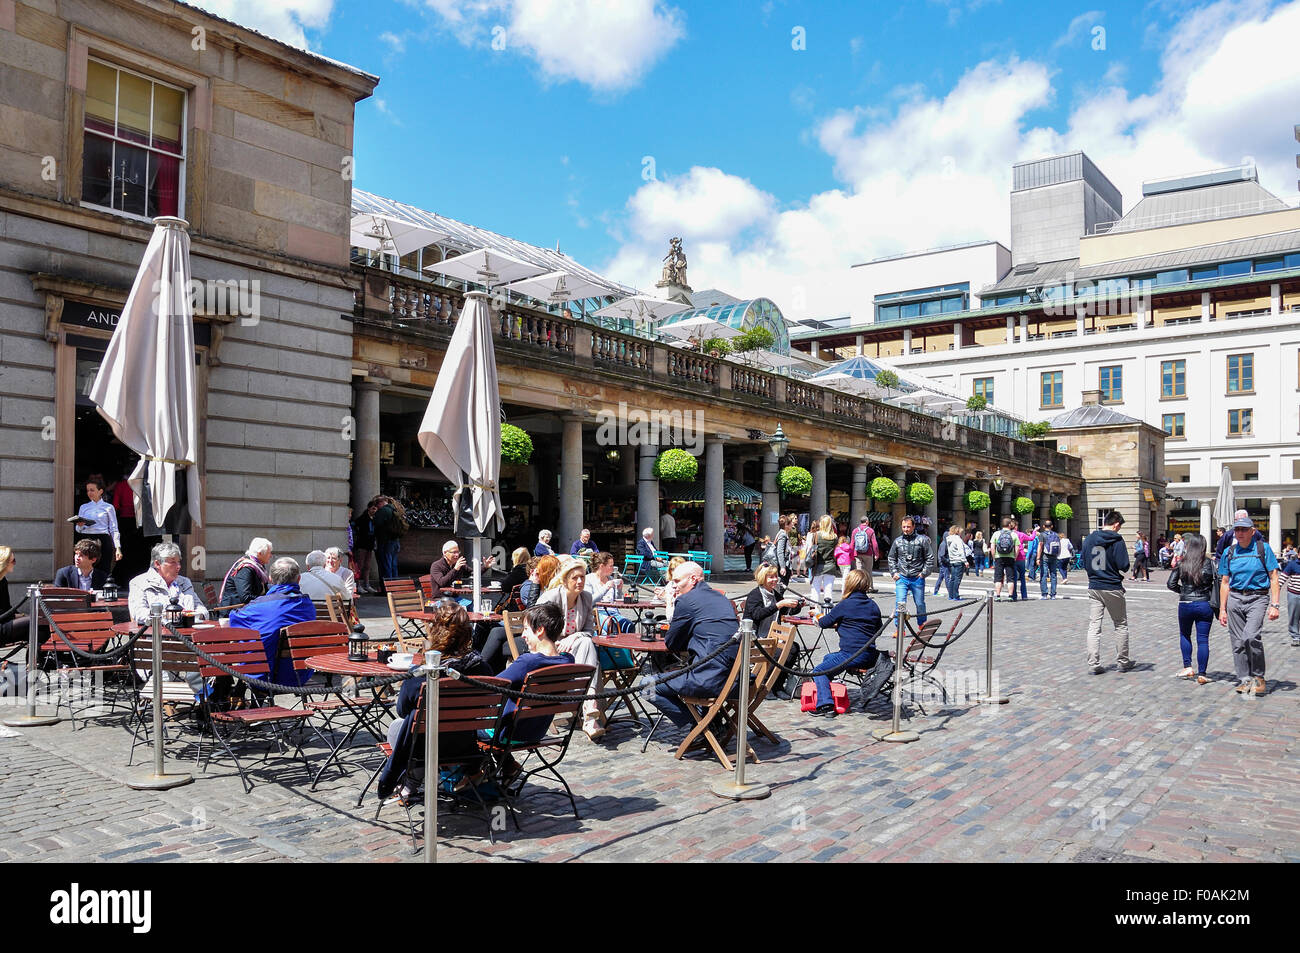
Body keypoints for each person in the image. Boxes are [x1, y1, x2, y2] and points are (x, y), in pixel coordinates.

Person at [377, 601, 494, 800]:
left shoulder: (421, 676)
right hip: (466, 745)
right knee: (416, 724)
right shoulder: (482, 669)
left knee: (399, 726)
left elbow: (402, 709)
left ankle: (412, 780)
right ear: (467, 633)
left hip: (425, 748)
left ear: (435, 631)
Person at [644, 561, 739, 730]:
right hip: (736, 680)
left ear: (693, 579)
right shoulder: (721, 598)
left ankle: (699, 725)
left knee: (646, 685)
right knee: (685, 670)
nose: (674, 586)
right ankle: (708, 722)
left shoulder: (687, 600)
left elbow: (672, 643)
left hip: (711, 680)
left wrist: (672, 603)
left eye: (677, 581)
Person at [486, 603, 576, 757]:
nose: (523, 635)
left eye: (526, 629)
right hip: (536, 732)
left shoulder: (528, 662)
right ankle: (507, 766)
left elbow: (491, 686)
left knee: (461, 728)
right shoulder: (568, 661)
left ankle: (472, 774)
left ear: (540, 630)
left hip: (508, 733)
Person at [535, 558, 604, 740]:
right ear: (565, 580)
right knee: (587, 647)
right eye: (575, 578)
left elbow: (589, 631)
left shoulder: (586, 598)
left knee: (586, 643)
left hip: (577, 651)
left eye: (582, 577)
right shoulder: (551, 598)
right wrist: (557, 642)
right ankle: (590, 708)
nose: (580, 581)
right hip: (551, 650)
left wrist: (575, 636)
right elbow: (537, 631)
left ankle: (589, 713)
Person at [227, 556, 317, 688]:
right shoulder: (307, 605)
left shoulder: (259, 606)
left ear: (270, 578)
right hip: (299, 675)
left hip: (263, 677)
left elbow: (234, 620)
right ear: (299, 579)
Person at [1217, 514, 1280, 696]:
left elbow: (1274, 577)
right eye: (1237, 529)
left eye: (1244, 529)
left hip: (1257, 598)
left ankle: (1258, 677)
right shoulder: (1230, 552)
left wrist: (1275, 604)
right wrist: (1222, 609)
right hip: (1235, 599)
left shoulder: (1263, 548)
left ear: (1253, 532)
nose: (1240, 533)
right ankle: (1245, 679)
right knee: (1237, 642)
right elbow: (1225, 582)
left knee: (1250, 637)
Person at [810, 570, 883, 715]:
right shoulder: (872, 605)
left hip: (851, 654)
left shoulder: (845, 604)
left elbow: (824, 622)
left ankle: (826, 705)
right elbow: (878, 628)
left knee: (818, 671)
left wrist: (817, 613)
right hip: (870, 654)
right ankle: (830, 690)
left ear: (849, 584)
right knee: (828, 658)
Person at [1082, 511, 1132, 675]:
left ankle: (1093, 663)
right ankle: (1123, 662)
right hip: (1112, 586)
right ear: (1116, 524)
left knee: (1094, 626)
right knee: (1120, 624)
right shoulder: (1117, 539)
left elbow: (1084, 562)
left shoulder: (1089, 539)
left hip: (1094, 586)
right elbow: (1124, 564)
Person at [1167, 532, 1216, 684]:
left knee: (1185, 635)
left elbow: (1170, 584)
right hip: (1204, 603)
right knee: (1203, 640)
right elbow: (1216, 582)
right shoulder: (1209, 563)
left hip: (1185, 604)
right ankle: (1202, 673)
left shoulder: (1183, 562)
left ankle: (1187, 667)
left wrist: (1183, 592)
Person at [128, 541, 207, 626]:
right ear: (157, 564)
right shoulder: (139, 583)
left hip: (188, 636)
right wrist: (167, 615)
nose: (178, 566)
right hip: (157, 636)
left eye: (179, 562)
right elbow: (138, 614)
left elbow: (201, 609)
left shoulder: (185, 582)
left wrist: (197, 615)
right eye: (173, 562)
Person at [887, 516, 935, 625]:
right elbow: (891, 558)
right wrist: (894, 572)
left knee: (920, 603)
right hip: (902, 577)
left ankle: (922, 624)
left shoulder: (922, 540)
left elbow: (930, 557)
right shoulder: (897, 541)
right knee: (900, 603)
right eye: (904, 527)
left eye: (908, 526)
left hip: (917, 577)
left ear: (913, 526)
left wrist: (924, 573)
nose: (906, 529)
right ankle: (899, 627)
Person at [73, 478, 122, 578]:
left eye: (92, 490)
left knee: (103, 568)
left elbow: (114, 528)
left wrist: (118, 548)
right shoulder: (83, 507)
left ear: (100, 491)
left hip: (102, 539)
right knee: (84, 566)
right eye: (88, 490)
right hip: (86, 538)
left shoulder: (108, 507)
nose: (89, 493)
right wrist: (80, 526)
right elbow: (78, 529)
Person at [742, 564, 801, 640]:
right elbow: (757, 615)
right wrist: (779, 605)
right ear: (763, 578)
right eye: (771, 577)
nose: (775, 579)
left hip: (774, 636)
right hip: (755, 638)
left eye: (776, 576)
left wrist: (797, 605)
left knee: (795, 648)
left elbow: (786, 611)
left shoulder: (774, 593)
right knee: (791, 650)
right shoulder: (755, 594)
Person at [586, 551, 635, 634]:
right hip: (598, 613)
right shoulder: (589, 579)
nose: (613, 568)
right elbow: (590, 601)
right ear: (602, 566)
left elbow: (617, 600)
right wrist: (606, 588)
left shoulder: (611, 579)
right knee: (611, 624)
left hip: (613, 612)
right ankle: (616, 646)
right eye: (611, 566)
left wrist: (619, 590)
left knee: (628, 625)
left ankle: (628, 646)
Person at [218, 538, 272, 607]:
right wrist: (267, 600)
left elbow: (264, 588)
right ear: (260, 553)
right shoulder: (246, 569)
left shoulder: (258, 566)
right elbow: (246, 597)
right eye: (269, 553)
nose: (271, 556)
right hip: (234, 612)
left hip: (248, 609)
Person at [429, 539, 496, 592]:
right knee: (462, 607)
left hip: (455, 597)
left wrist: (485, 567)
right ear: (445, 553)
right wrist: (455, 569)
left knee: (471, 605)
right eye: (454, 552)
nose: (457, 555)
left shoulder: (459, 564)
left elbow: (473, 574)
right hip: (441, 599)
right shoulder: (436, 565)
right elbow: (442, 583)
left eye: (458, 552)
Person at [0, 546, 31, 644]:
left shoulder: (3, 581)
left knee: (38, 621)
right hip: (1, 626)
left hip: (4, 622)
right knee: (35, 623)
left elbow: (6, 608)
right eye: (13, 561)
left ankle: (37, 656)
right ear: (4, 562)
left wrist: (22, 615)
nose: (15, 563)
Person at [370, 495, 403, 581]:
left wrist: (374, 516)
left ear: (380, 503)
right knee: (393, 565)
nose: (377, 507)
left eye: (377, 505)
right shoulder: (395, 509)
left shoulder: (383, 511)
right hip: (395, 541)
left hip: (385, 542)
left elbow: (376, 524)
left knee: (385, 565)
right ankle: (394, 586)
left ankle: (386, 588)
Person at [808, 515, 838, 605]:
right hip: (830, 566)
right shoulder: (834, 537)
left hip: (818, 566)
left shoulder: (816, 535)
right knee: (828, 591)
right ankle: (827, 612)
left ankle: (814, 612)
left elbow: (811, 549)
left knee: (815, 590)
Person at [351, 500, 378, 594]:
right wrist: (358, 535)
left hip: (369, 546)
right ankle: (358, 585)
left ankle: (367, 585)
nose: (375, 510)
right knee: (360, 566)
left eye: (376, 509)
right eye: (373, 508)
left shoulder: (374, 519)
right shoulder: (363, 518)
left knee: (367, 566)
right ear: (369, 508)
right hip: (362, 545)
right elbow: (354, 525)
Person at [991, 517, 1018, 602]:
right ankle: (1010, 596)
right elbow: (1017, 548)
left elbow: (992, 547)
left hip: (999, 557)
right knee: (1010, 578)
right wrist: (1015, 557)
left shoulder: (996, 534)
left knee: (998, 577)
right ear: (1010, 525)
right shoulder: (1014, 534)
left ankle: (998, 596)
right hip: (1010, 557)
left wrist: (994, 557)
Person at [851, 516, 879, 592]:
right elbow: (875, 543)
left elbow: (852, 543)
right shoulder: (870, 530)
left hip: (857, 553)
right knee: (868, 571)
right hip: (868, 553)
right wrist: (876, 554)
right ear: (867, 522)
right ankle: (869, 587)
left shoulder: (855, 530)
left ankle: (859, 587)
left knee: (859, 571)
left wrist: (851, 554)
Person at [1280, 547, 1300, 647]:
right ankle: (1296, 637)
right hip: (1294, 594)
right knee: (1294, 616)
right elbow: (1283, 577)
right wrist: (1277, 588)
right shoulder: (1292, 564)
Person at [1037, 519, 1062, 599]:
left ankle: (1044, 594)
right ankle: (1053, 594)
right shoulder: (1056, 535)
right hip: (1054, 556)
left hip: (1045, 556)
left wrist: (1038, 558)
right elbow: (1059, 546)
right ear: (1052, 526)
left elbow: (1040, 546)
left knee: (1044, 575)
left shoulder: (1042, 535)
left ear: (1044, 526)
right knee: (1053, 575)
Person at [942, 525, 967, 600]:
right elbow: (961, 550)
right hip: (959, 560)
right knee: (957, 579)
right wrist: (965, 561)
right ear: (957, 531)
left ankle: (951, 595)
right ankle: (956, 595)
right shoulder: (958, 539)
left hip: (952, 560)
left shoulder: (948, 539)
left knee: (952, 578)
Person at [1013, 519, 1032, 601]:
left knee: (1013, 578)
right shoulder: (1020, 534)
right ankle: (1024, 595)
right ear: (1016, 526)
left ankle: (1013, 595)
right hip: (1021, 557)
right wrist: (1034, 531)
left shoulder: (1009, 534)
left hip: (1012, 557)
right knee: (1022, 578)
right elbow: (1031, 538)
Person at [774, 515, 794, 587]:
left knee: (781, 588)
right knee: (782, 588)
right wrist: (783, 567)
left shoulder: (782, 533)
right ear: (786, 525)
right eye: (791, 523)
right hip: (783, 565)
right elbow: (780, 551)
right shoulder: (783, 535)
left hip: (784, 565)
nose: (792, 525)